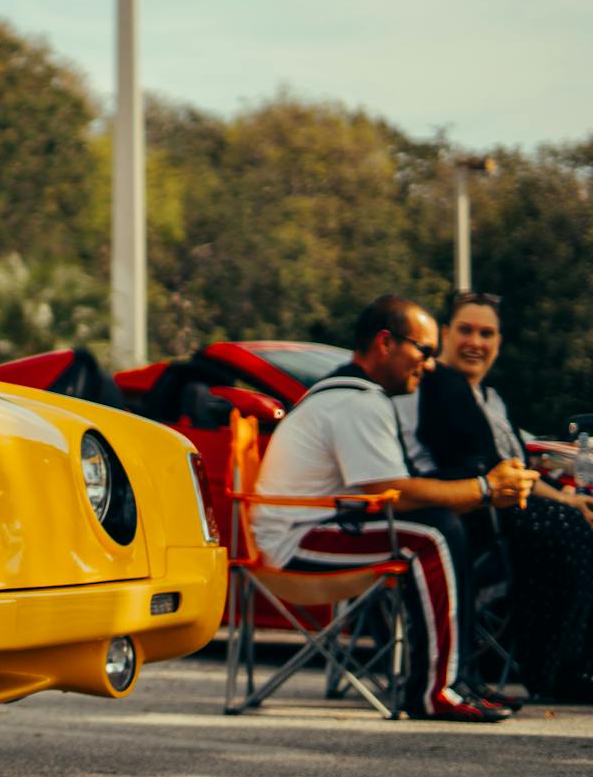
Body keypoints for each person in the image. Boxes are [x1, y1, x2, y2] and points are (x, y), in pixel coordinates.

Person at [251, 296, 538, 722]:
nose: (430, 364)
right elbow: (393, 493)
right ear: (386, 343)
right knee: (433, 534)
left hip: (312, 527)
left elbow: (393, 493)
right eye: (423, 351)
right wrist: (484, 488)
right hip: (295, 542)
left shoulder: (353, 392)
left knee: (440, 525)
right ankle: (435, 690)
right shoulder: (356, 401)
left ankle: (457, 681)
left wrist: (479, 491)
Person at [404, 292, 593, 699]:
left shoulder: (491, 399)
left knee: (581, 516)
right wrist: (563, 505)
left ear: (499, 342)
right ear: (445, 334)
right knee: (566, 527)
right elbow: (490, 470)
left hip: (509, 503)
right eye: (466, 330)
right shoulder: (440, 385)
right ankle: (553, 670)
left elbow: (521, 468)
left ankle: (578, 661)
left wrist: (569, 497)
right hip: (473, 511)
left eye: (486, 333)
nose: (476, 342)